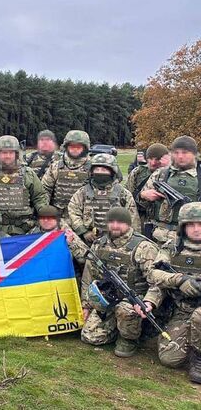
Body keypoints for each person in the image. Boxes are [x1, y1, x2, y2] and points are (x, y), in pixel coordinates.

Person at [81, 207, 159, 357]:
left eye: (120, 222)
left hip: (134, 300)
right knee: (90, 337)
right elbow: (89, 275)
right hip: (109, 298)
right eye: (112, 221)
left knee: (124, 310)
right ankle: (117, 327)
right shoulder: (99, 244)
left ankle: (129, 338)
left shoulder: (144, 247)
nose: (115, 225)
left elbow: (156, 281)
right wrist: (86, 305)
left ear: (129, 223)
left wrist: (149, 302)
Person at [148, 202, 201, 382]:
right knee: (169, 358)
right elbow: (153, 273)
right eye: (191, 224)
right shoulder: (173, 247)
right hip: (182, 310)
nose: (196, 229)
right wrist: (180, 280)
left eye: (200, 224)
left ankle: (198, 358)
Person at [68, 153, 140, 245]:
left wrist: (131, 240)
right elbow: (73, 211)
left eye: (104, 169)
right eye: (97, 169)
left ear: (112, 171)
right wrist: (83, 231)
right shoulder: (83, 192)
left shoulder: (123, 193)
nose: (100, 172)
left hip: (117, 241)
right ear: (91, 172)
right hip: (88, 241)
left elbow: (133, 219)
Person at [140, 136, 200, 244]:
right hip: (160, 238)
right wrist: (143, 195)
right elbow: (140, 205)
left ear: (194, 154)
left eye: (185, 152)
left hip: (193, 240)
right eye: (176, 152)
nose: (180, 156)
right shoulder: (161, 174)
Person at [0, 135, 48, 235]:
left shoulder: (28, 173)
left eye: (11, 152)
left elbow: (39, 197)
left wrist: (44, 214)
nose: (8, 156)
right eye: (4, 152)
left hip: (25, 228)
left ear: (16, 154)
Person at [42, 130, 91, 219]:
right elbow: (45, 189)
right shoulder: (56, 166)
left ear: (85, 148)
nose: (75, 149)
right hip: (58, 217)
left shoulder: (93, 168)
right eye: (72, 146)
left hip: (82, 217)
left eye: (78, 147)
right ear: (66, 147)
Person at [125, 143, 170, 228]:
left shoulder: (171, 174)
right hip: (140, 221)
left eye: (157, 159)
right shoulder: (137, 172)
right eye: (150, 159)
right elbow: (126, 196)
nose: (153, 163)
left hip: (163, 225)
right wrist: (141, 196)